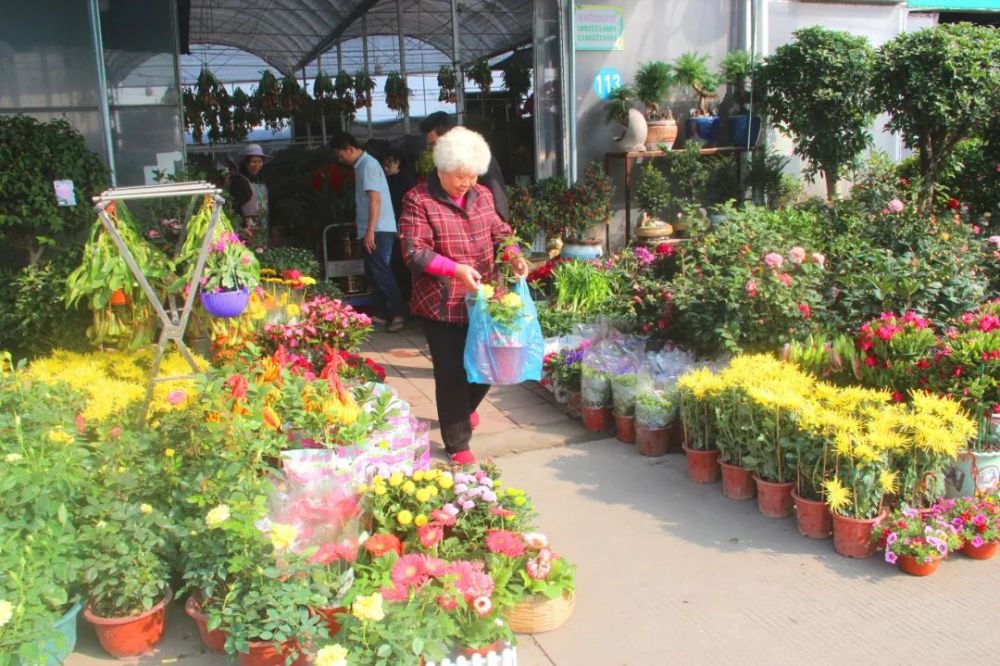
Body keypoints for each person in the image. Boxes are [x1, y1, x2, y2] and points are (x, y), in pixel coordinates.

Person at [399, 127, 529, 466]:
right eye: (460, 176)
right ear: (441, 169)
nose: (467, 183)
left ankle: (464, 408)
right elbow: (414, 251)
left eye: (472, 176)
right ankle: (457, 442)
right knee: (452, 373)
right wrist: (455, 269)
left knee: (491, 364)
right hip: (442, 303)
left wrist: (513, 254)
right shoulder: (418, 199)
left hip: (485, 299)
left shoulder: (483, 195)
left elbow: (501, 233)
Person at [329, 131, 406, 333]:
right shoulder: (363, 165)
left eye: (340, 155)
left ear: (349, 148)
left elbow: (375, 200)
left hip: (378, 229)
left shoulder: (368, 165)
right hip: (374, 229)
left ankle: (397, 313)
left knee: (381, 272)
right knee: (374, 272)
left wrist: (370, 230)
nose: (340, 159)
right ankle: (385, 313)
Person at [419, 111, 509, 221]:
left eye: (435, 144)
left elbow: (498, 201)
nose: (433, 150)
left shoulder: (478, 158)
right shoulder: (441, 167)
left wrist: (497, 235)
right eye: (430, 146)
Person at [382, 149, 417, 303]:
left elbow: (404, 206)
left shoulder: (404, 180)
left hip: (401, 227)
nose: (385, 168)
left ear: (398, 163)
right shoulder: (395, 180)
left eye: (388, 164)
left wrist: (400, 226)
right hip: (397, 226)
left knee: (402, 266)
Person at [229, 143, 270, 248]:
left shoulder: (260, 179)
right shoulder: (239, 181)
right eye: (253, 161)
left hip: (263, 226)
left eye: (260, 162)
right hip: (247, 229)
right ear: (246, 163)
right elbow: (234, 206)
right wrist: (243, 226)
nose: (257, 165)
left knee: (262, 253)